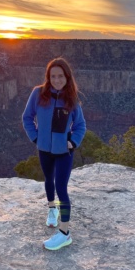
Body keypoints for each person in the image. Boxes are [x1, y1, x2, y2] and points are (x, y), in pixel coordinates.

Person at [22, 57, 86, 250]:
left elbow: (81, 125)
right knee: (48, 180)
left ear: (67, 77)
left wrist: (72, 142)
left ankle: (65, 233)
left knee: (62, 188)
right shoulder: (38, 93)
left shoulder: (72, 98)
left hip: (64, 152)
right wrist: (36, 138)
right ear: (48, 77)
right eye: (53, 76)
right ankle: (52, 209)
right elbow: (27, 118)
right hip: (44, 149)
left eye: (61, 76)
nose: (57, 80)